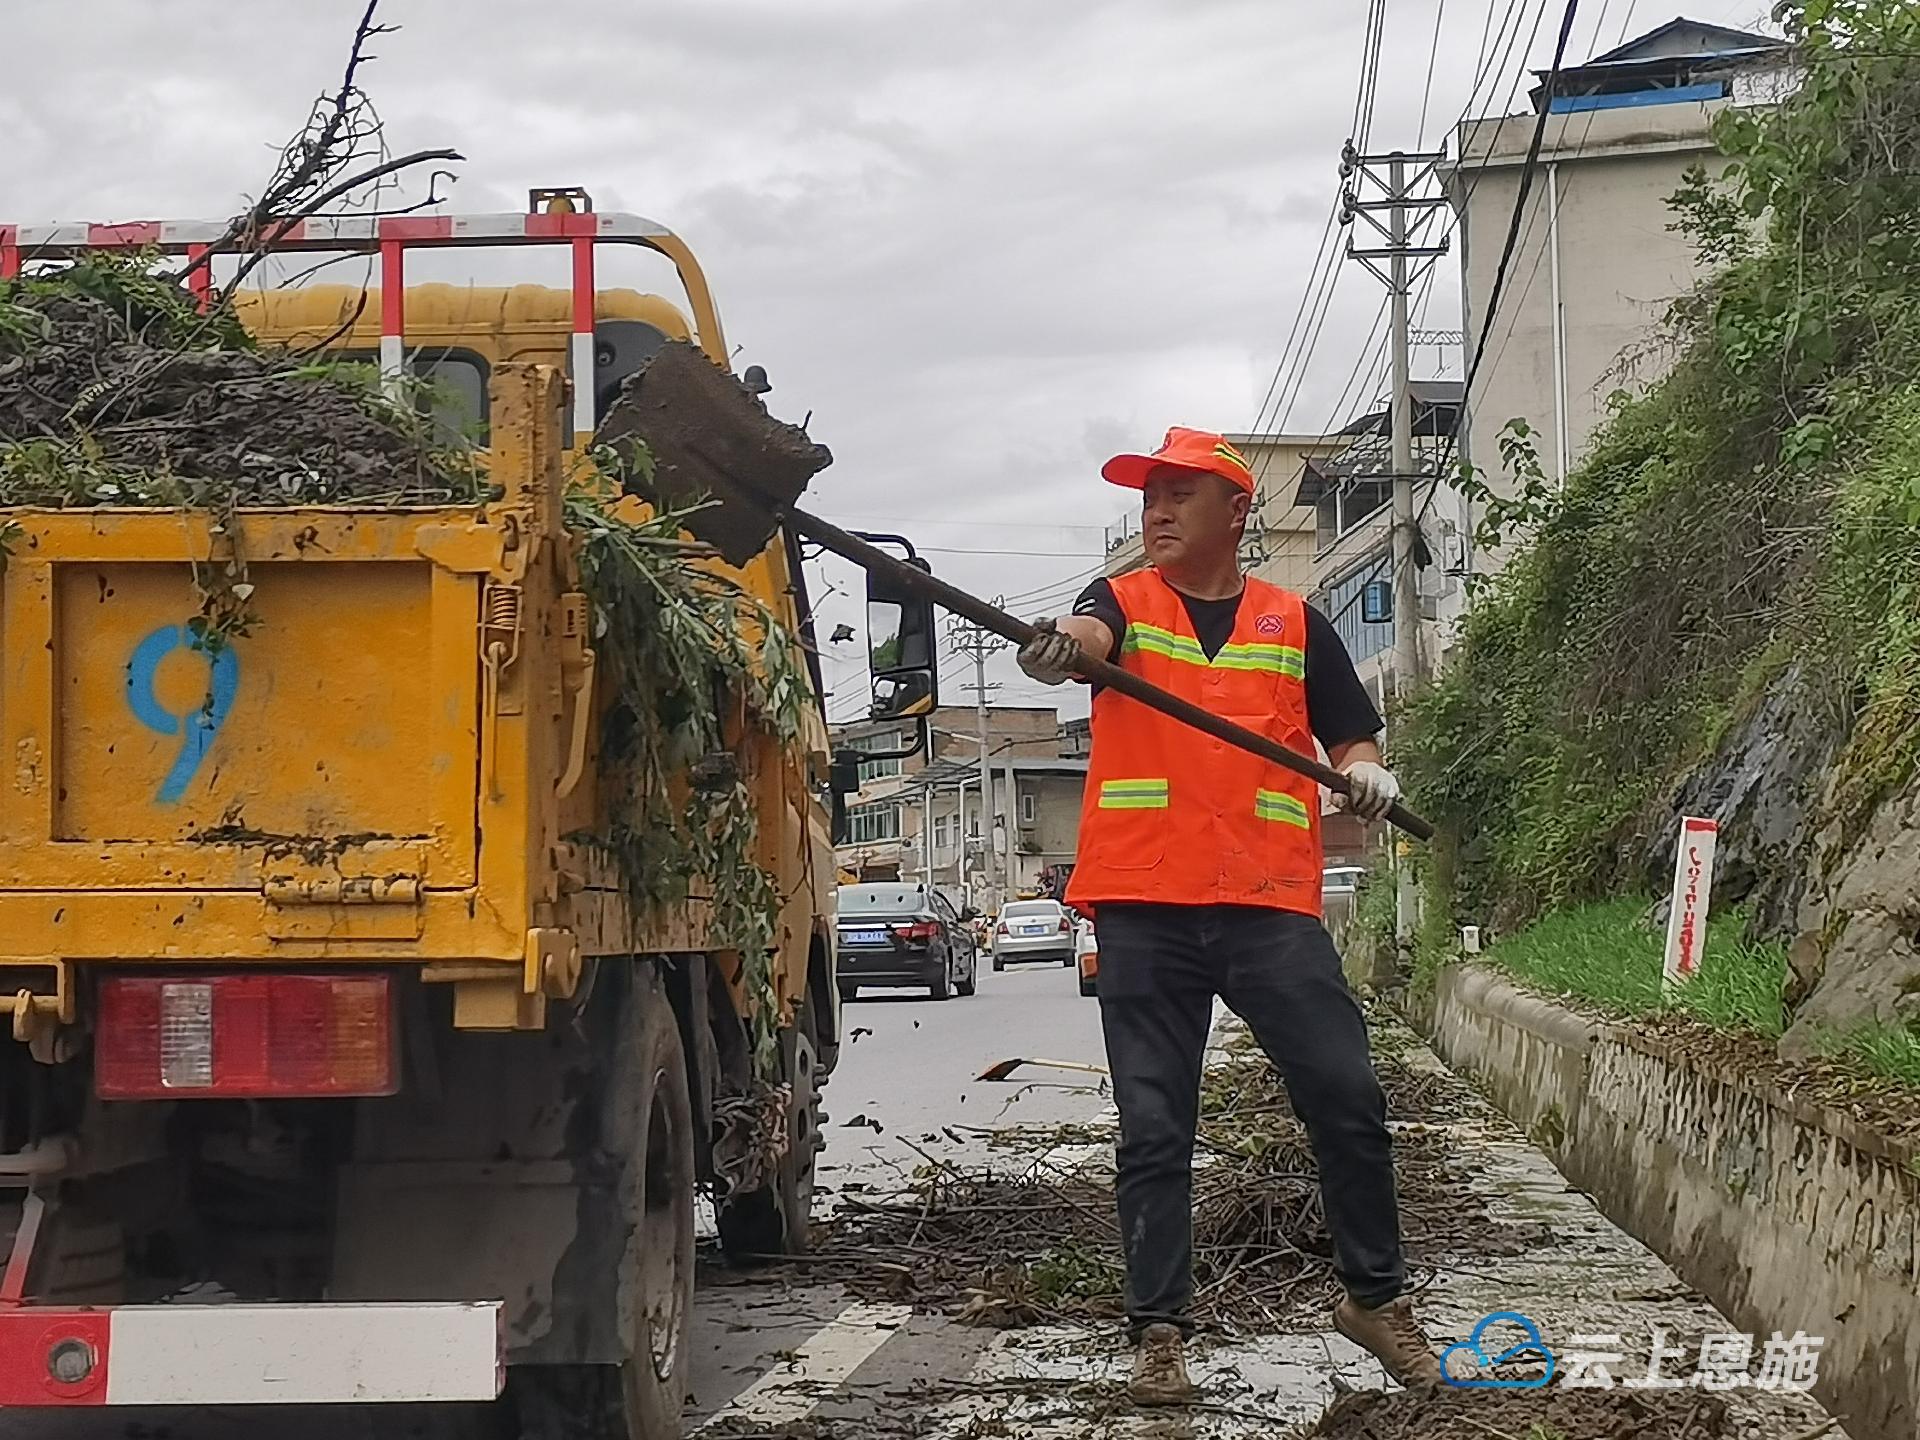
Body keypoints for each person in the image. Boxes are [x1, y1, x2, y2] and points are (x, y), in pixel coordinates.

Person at [1017, 427, 1441, 1404]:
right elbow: (1081, 647)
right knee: (1156, 1129)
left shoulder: (1295, 623)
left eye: (1176, 494)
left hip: (1264, 905)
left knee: (1346, 1095)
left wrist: (1366, 771)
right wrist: (1054, 656)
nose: (1153, 512)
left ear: (1236, 511)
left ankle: (1376, 1301)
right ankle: (1160, 1335)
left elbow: (1352, 733)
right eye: (1147, 496)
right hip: (1147, 904)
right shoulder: (1119, 601)